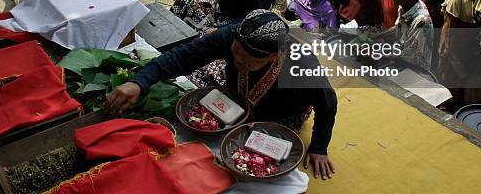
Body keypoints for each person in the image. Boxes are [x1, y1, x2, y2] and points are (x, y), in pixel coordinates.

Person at [106, 10, 338, 179]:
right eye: (235, 55)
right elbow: (185, 55)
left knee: (260, 163)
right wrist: (139, 82)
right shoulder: (232, 36)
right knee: (195, 96)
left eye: (248, 62)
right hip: (235, 96)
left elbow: (327, 101)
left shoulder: (302, 64)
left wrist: (319, 147)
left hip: (280, 113)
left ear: (272, 57)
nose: (239, 62)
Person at [437, 0, 481, 106]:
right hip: (454, 40)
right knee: (450, 75)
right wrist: (448, 49)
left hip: (469, 41)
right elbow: (448, 26)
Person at [392, 0, 434, 72]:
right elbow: (398, 26)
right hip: (402, 60)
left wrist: (376, 54)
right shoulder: (405, 6)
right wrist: (375, 36)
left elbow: (408, 56)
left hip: (415, 70)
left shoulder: (421, 20)